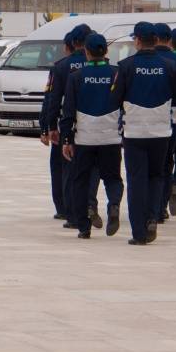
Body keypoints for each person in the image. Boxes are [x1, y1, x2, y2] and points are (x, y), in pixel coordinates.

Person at [109, 22, 176, 245]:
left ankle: (139, 232)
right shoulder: (169, 66)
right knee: (156, 177)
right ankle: (153, 216)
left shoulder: (126, 66)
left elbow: (114, 99)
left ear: (137, 41)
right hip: (161, 131)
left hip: (134, 132)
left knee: (136, 181)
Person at [58, 32, 124, 239]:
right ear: (106, 51)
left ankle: (83, 227)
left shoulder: (76, 77)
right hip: (111, 137)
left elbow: (68, 112)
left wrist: (66, 139)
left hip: (84, 138)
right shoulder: (117, 74)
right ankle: (113, 204)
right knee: (113, 178)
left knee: (81, 181)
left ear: (86, 52)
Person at [40, 26, 91, 226]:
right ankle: (88, 204)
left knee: (62, 169)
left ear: (71, 44)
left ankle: (64, 209)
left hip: (65, 125)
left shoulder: (61, 66)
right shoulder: (98, 64)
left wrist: (48, 126)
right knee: (89, 169)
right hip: (93, 126)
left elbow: (52, 99)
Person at [152, 23, 176, 225]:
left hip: (150, 118)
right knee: (167, 160)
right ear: (169, 39)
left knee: (153, 166)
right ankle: (163, 202)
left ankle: (156, 205)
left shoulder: (148, 61)